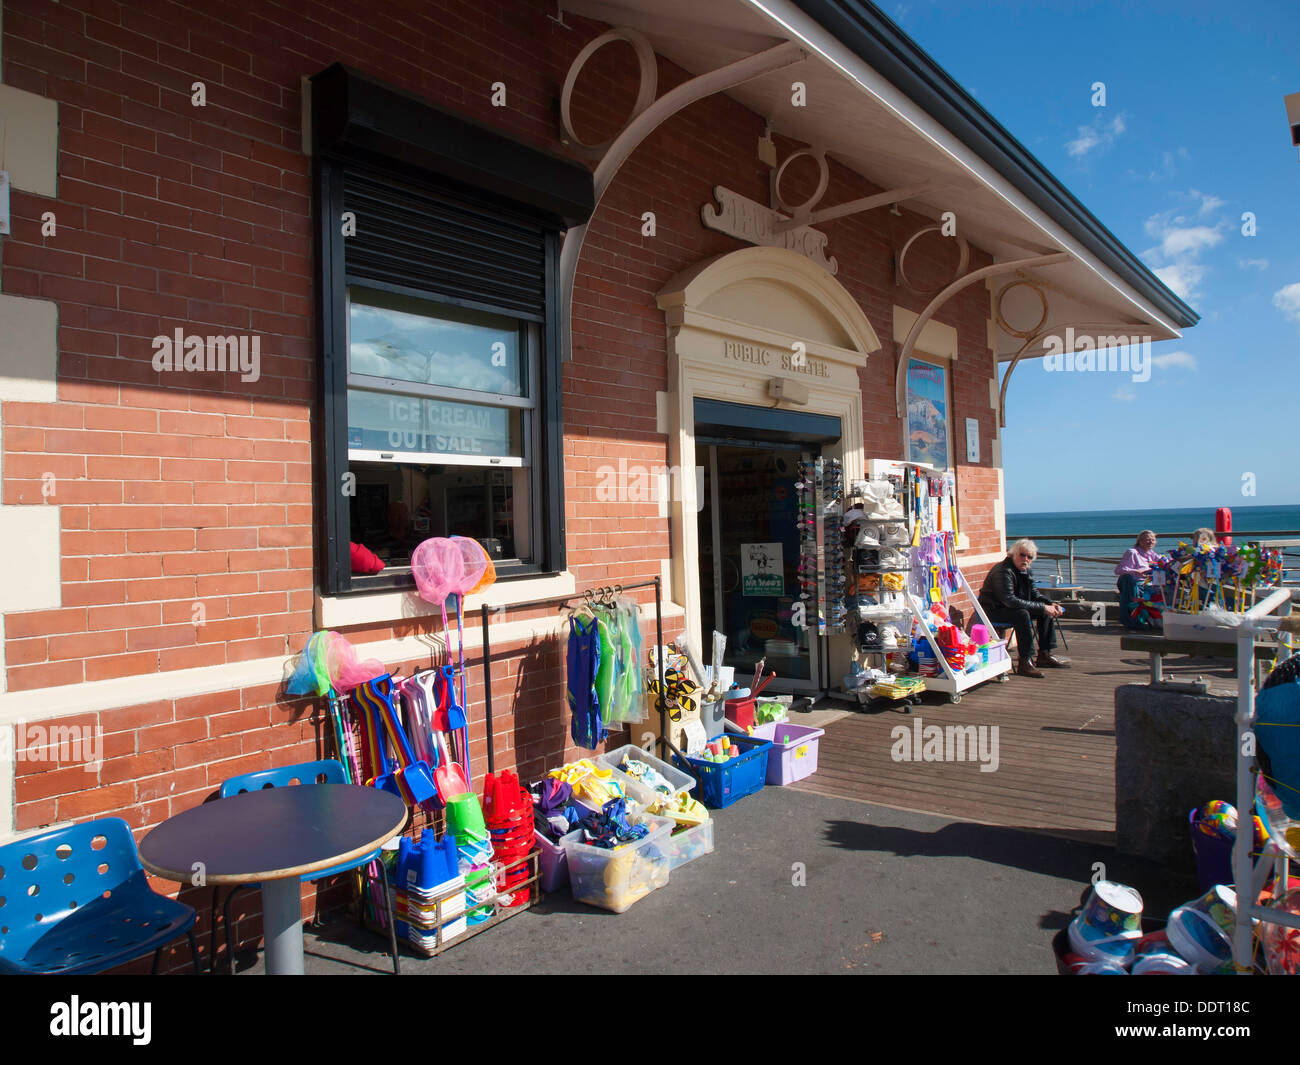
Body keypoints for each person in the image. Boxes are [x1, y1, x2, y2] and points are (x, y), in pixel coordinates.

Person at [978, 539, 1068, 678]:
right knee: (1022, 614)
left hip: (1011, 608)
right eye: (1022, 555)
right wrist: (1043, 607)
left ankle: (1044, 654)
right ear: (1013, 554)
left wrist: (1050, 604)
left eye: (1029, 557)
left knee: (1043, 612)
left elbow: (1035, 595)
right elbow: (1009, 600)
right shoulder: (1003, 572)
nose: (1025, 559)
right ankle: (1025, 661)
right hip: (993, 610)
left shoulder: (1026, 571)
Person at [1115, 530, 1160, 630]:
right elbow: (1119, 570)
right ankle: (1133, 621)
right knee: (1131, 583)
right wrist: (1136, 571)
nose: (1151, 542)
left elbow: (1164, 562)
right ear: (1140, 541)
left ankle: (1157, 621)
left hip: (1148, 583)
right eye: (1148, 540)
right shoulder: (1132, 552)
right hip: (1133, 582)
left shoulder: (1152, 554)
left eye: (1153, 540)